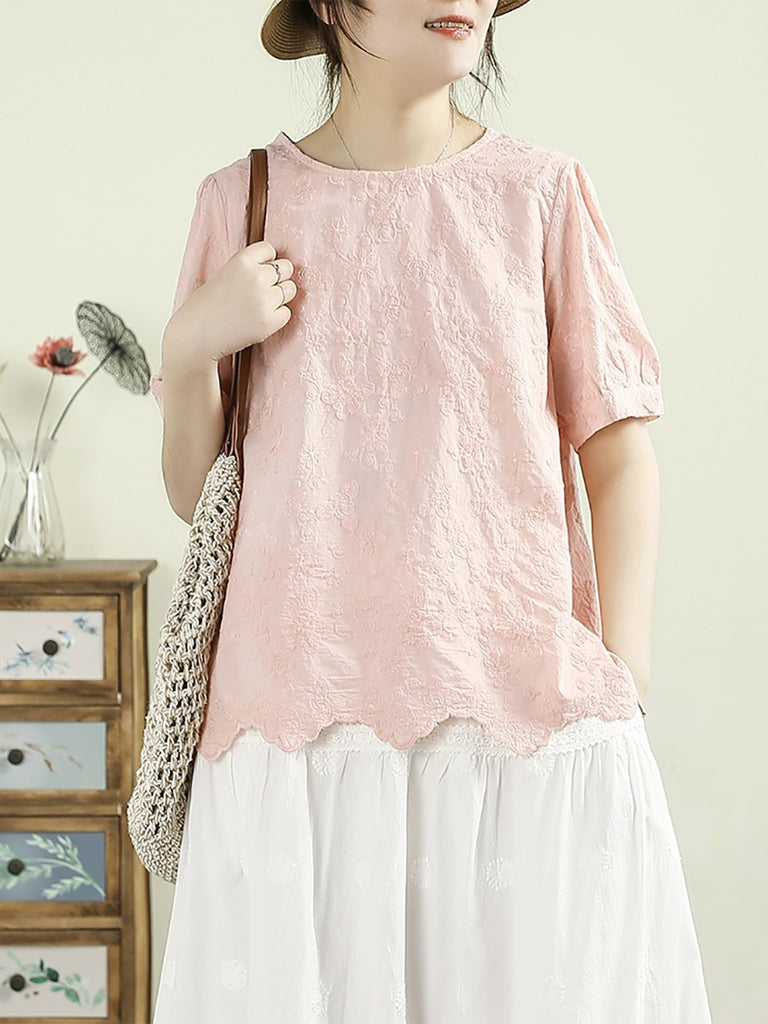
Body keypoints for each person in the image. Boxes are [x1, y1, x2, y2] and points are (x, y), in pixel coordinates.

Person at [150, 1, 713, 1020]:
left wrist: (624, 674)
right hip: (296, 725)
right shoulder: (240, 202)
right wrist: (190, 347)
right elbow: (201, 495)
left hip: (515, 725)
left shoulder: (541, 192)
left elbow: (619, 450)